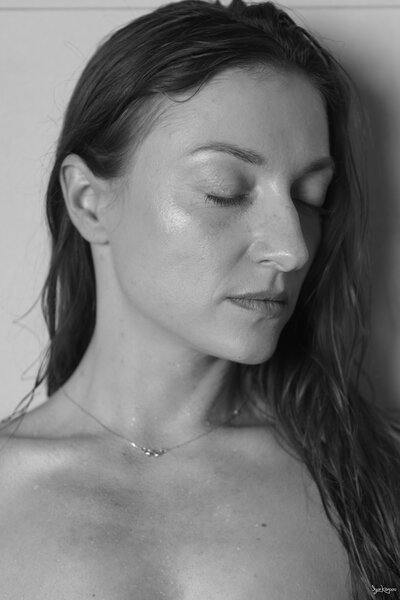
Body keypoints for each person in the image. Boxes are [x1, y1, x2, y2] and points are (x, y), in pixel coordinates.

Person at [1, 0, 399, 597]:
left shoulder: (376, 490)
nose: (292, 249)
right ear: (88, 201)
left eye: (310, 197)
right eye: (225, 191)